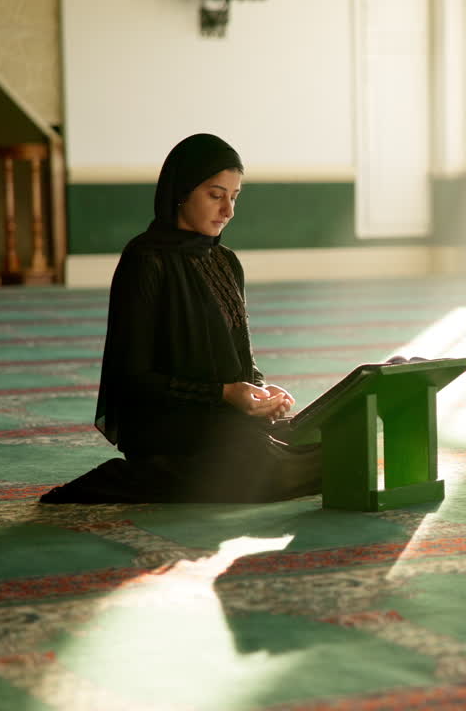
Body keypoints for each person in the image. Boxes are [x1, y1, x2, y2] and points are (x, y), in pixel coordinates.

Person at [40, 133, 320, 503]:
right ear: (181, 192)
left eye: (234, 197)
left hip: (224, 420)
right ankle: (130, 478)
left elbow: (242, 359)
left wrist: (260, 392)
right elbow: (134, 378)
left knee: (319, 433)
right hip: (166, 427)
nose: (228, 211)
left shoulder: (226, 262)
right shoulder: (145, 261)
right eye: (216, 195)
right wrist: (223, 394)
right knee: (262, 466)